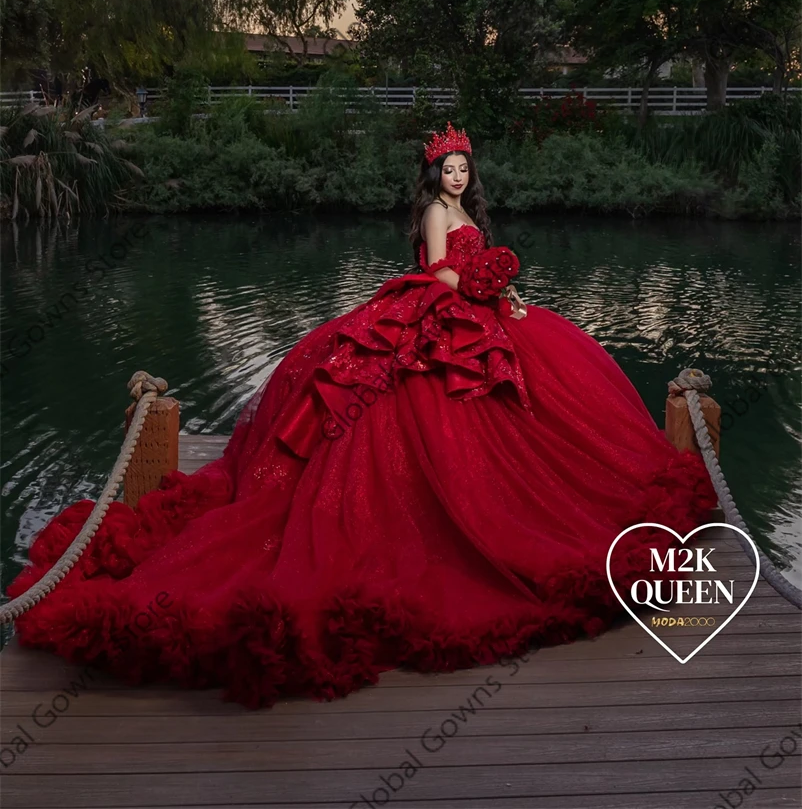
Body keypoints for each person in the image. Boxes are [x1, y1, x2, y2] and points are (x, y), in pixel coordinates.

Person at [8, 123, 717, 709]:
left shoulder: (471, 212)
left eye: (466, 168)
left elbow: (469, 272)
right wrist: (486, 280)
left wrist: (506, 297)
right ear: (432, 176)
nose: (458, 178)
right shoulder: (438, 217)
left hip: (478, 313)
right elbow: (440, 274)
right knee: (393, 409)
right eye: (449, 169)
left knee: (542, 396)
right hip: (443, 307)